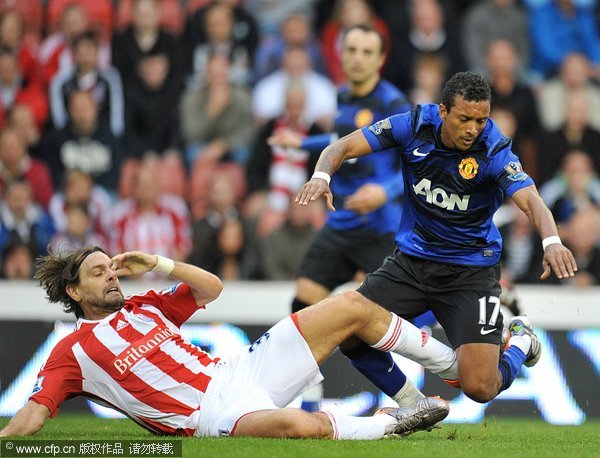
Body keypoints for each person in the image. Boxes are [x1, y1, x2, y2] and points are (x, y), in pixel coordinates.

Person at [296, 71, 576, 403]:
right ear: (443, 112)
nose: (473, 128)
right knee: (350, 329)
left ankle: (521, 342)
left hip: (470, 273)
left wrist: (552, 241)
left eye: (481, 119)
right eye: (465, 119)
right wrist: (322, 175)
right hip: (411, 264)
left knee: (480, 388)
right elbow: (342, 146)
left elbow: (530, 199)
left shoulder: (493, 149)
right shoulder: (414, 125)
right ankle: (412, 403)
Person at [0, 246, 453, 439]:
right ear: (75, 293)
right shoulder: (71, 352)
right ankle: (395, 423)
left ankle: (446, 369)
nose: (112, 275)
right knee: (304, 427)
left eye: (111, 267)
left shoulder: (145, 307)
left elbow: (211, 288)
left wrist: (158, 262)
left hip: (237, 370)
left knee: (349, 305)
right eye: (98, 273)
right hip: (209, 415)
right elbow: (34, 414)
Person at [269, 24, 424, 409]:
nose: (357, 58)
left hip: (381, 228)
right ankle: (304, 404)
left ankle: (412, 392)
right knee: (304, 302)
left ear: (380, 59)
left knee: (386, 323)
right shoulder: (342, 94)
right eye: (351, 50)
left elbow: (416, 161)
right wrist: (301, 142)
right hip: (340, 225)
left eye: (366, 52)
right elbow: (344, 136)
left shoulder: (393, 102)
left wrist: (383, 192)